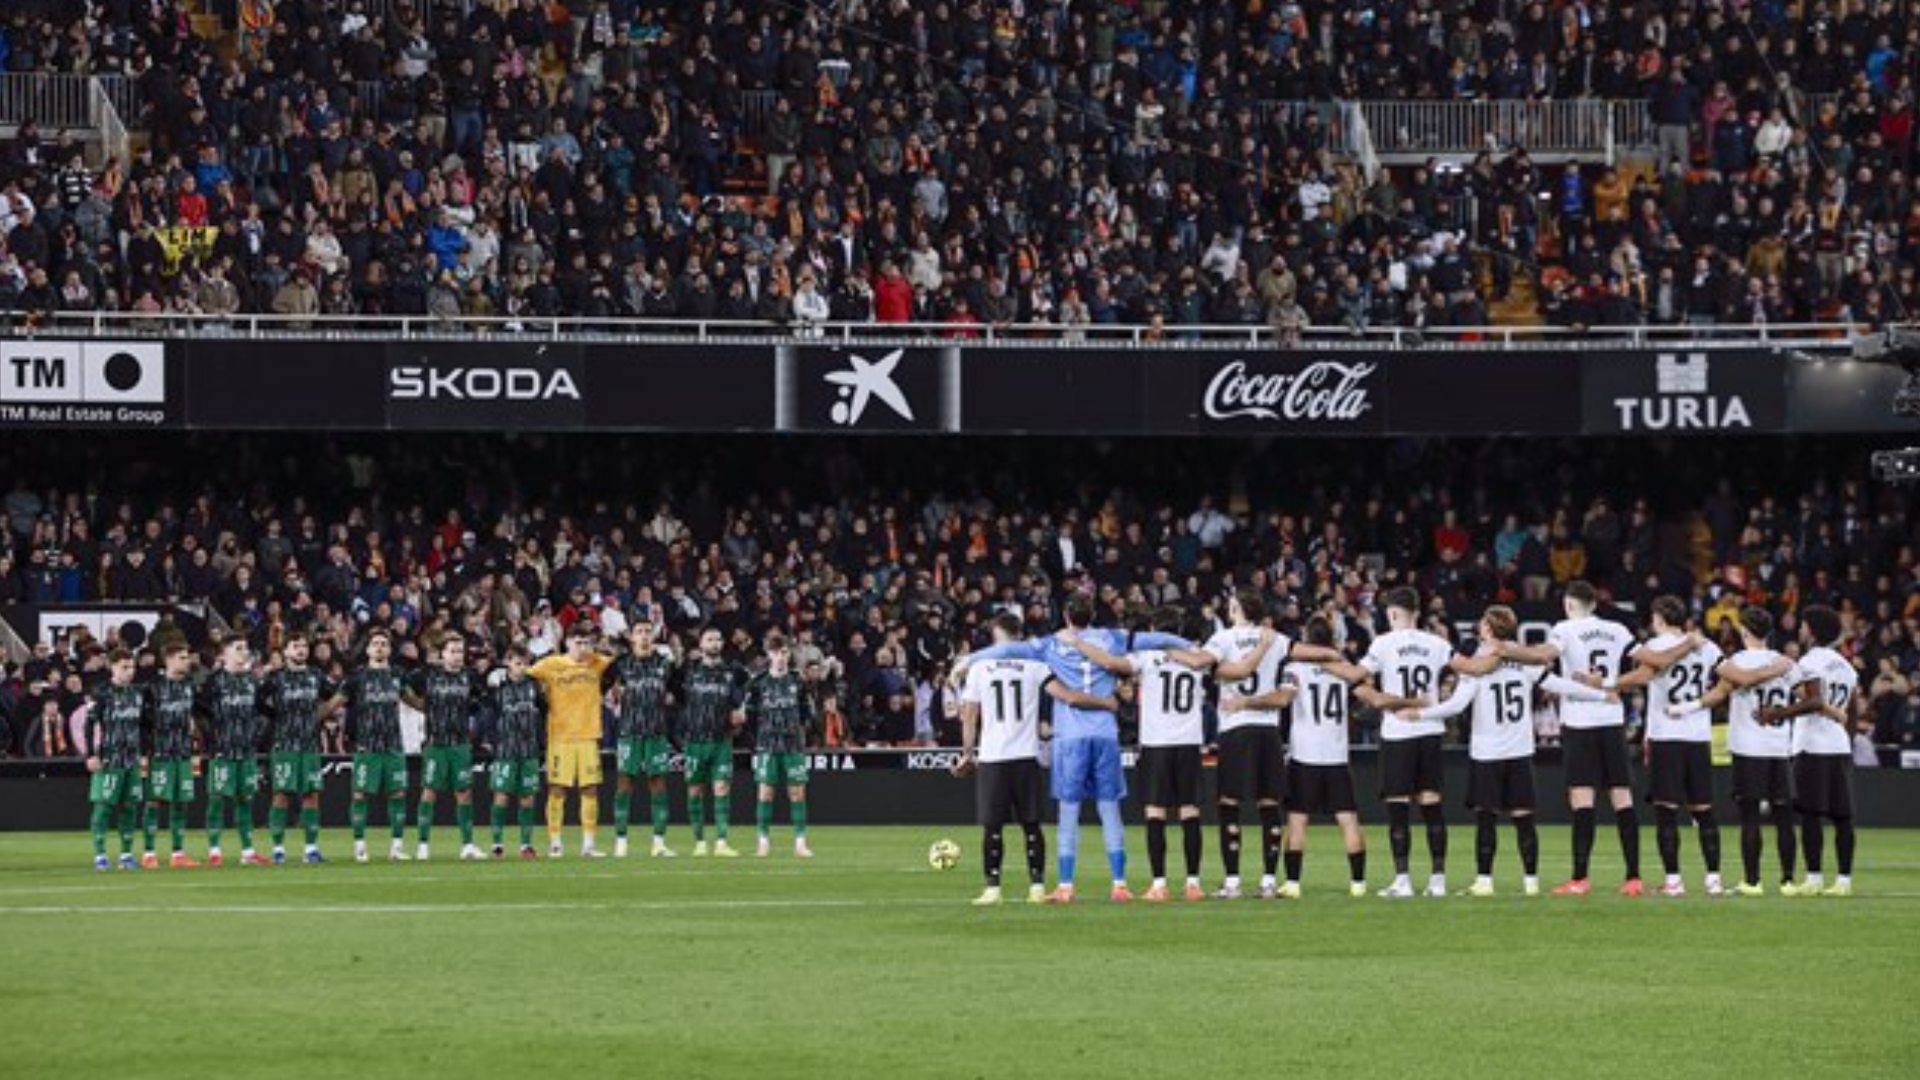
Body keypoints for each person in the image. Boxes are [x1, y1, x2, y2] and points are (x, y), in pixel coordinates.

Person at [955, 595, 1190, 904]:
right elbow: (1157, 639)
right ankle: (1119, 883)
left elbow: (1007, 649)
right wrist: (1189, 645)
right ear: (1092, 615)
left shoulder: (1050, 643)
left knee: (1069, 809)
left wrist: (969, 659)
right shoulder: (1113, 637)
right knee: (1109, 808)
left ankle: (1065, 886)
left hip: (1069, 736)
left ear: (1066, 615)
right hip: (1105, 733)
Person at [1406, 606, 1610, 897]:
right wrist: (1601, 693)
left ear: (1489, 629)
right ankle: (1531, 883)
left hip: (1487, 753)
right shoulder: (1524, 659)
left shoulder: (1477, 662)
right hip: (1520, 752)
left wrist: (1419, 714)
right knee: (1524, 820)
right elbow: (1558, 684)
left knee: (1486, 819)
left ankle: (1484, 882)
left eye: (1483, 623)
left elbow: (1456, 705)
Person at [1486, 581, 1645, 896]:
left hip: (1580, 722)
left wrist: (1508, 649)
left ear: (1569, 605)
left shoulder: (1565, 629)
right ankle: (1633, 878)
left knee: (1582, 799)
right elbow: (1647, 661)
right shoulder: (1617, 629)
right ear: (1594, 604)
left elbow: (1544, 655)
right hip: (1612, 719)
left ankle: (1580, 879)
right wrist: (1613, 684)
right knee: (1622, 799)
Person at [1191, 591, 1345, 899]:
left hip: (1235, 727)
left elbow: (1202, 662)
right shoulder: (1274, 638)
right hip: (1268, 730)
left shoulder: (1223, 638)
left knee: (1229, 804)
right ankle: (1268, 881)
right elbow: (1311, 652)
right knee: (1269, 805)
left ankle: (1232, 882)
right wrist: (1332, 654)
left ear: (1236, 608)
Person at [1055, 607, 1210, 902]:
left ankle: (1159, 885)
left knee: (1155, 812)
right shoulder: (1197, 657)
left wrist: (1078, 643)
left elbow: (1109, 662)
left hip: (1156, 742)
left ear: (1153, 630)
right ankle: (1193, 883)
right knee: (1190, 812)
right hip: (1189, 741)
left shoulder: (1147, 657)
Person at [953, 613, 1101, 906]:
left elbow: (969, 715)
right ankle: (1037, 887)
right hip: (1025, 756)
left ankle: (992, 889)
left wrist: (967, 754)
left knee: (993, 826)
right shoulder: (1036, 666)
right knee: (1031, 825)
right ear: (1019, 635)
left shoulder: (980, 667)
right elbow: (1066, 696)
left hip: (994, 756)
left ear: (997, 634)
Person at [1586, 596, 1722, 896]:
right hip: (1698, 736)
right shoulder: (1708, 646)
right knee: (1703, 811)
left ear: (1659, 618)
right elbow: (1725, 680)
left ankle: (1673, 881)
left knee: (1666, 811)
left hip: (1666, 736)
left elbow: (1642, 676)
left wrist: (1605, 683)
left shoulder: (1656, 647)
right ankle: (1713, 880)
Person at [1672, 607, 1800, 896]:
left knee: (1750, 817)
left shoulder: (1737, 662)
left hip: (1748, 748)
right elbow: (1807, 697)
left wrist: (1687, 706)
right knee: (1783, 817)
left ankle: (1752, 882)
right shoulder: (1785, 662)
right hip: (1780, 747)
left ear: (1744, 631)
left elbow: (1718, 694)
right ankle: (1789, 881)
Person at [1279, 616, 1402, 898]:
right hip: (1336, 755)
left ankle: (1293, 884)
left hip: (1304, 755)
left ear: (1307, 639)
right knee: (1348, 820)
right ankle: (1358, 884)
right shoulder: (1345, 671)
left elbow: (1285, 699)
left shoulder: (1294, 668)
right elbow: (1368, 696)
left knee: (1297, 820)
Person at [1359, 587, 1456, 899]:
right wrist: (1442, 693)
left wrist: (1375, 696)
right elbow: (1459, 673)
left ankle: (1403, 880)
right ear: (1418, 612)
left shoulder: (1383, 643)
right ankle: (1438, 880)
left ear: (1392, 613)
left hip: (1398, 732)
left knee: (1398, 809)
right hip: (1429, 729)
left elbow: (1359, 677)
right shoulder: (1438, 644)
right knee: (1432, 805)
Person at [1765, 605, 1860, 897]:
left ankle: (1814, 878)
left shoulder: (1810, 661)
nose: (1800, 629)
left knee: (1810, 814)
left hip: (1812, 745)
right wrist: (1847, 741)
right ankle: (1843, 881)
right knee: (1843, 817)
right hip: (1839, 746)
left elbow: (1814, 701)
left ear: (1814, 631)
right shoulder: (1846, 666)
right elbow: (1852, 713)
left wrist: (1778, 713)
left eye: (1804, 625)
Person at [529, 622, 615, 858]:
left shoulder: (597, 662)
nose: (582, 648)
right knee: (557, 789)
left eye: (586, 643)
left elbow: (618, 665)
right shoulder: (551, 664)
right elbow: (525, 676)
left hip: (588, 735)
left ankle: (589, 845)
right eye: (578, 643)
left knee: (590, 789)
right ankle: (555, 843)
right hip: (560, 736)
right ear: (567, 643)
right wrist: (541, 699)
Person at [259, 633, 335, 864]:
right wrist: (275, 716)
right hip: (284, 744)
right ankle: (278, 850)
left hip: (310, 744)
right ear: (285, 651)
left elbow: (336, 696)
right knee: (281, 794)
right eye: (296, 646)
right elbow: (257, 701)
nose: (301, 650)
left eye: (304, 646)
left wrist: (321, 715)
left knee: (311, 795)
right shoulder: (275, 678)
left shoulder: (317, 676)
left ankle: (311, 849)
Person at [406, 634, 483, 861]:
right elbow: (402, 686)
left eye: (460, 651)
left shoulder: (470, 676)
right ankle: (423, 845)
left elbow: (477, 702)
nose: (457, 656)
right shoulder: (427, 675)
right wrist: (420, 705)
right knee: (429, 791)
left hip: (460, 744)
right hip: (435, 744)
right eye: (452, 651)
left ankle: (467, 845)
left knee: (464, 793)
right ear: (442, 654)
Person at [339, 627, 412, 862]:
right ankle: (359, 845)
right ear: (368, 650)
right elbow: (338, 701)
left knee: (397, 794)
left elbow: (412, 699)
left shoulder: (399, 676)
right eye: (375, 644)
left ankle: (397, 847)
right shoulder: (357, 677)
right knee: (360, 794)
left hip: (393, 745)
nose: (380, 647)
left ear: (389, 650)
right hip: (367, 746)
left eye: (384, 644)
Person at [605, 621, 677, 858]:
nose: (644, 636)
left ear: (653, 636)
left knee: (658, 785)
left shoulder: (665, 664)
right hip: (629, 732)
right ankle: (621, 842)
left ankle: (659, 843)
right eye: (639, 632)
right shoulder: (620, 664)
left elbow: (679, 693)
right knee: (624, 784)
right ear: (632, 637)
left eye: (648, 631)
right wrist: (612, 696)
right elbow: (600, 687)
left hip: (657, 733)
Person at [746, 631, 816, 858]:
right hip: (767, 745)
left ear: (789, 653)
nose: (780, 657)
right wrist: (755, 742)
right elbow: (750, 716)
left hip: (793, 745)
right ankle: (763, 841)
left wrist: (800, 733)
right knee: (765, 793)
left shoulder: (798, 681)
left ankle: (800, 843)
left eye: (784, 652)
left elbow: (807, 713)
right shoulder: (758, 683)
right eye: (776, 652)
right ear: (768, 654)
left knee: (797, 793)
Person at [677, 627, 747, 857]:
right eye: (709, 639)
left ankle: (721, 842)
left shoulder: (732, 672)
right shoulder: (689, 671)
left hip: (721, 740)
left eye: (718, 639)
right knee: (694, 791)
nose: (714, 643)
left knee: (722, 788)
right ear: (701, 644)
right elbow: (677, 699)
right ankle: (699, 842)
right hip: (694, 740)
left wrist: (741, 711)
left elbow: (741, 698)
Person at [199, 636, 267, 867]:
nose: (244, 652)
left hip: (246, 751)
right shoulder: (213, 681)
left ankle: (247, 852)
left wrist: (255, 736)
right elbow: (200, 712)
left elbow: (259, 711)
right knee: (217, 799)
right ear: (225, 652)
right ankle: (214, 851)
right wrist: (211, 738)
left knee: (245, 799)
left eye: (245, 648)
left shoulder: (252, 681)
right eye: (238, 648)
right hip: (222, 751)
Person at [86, 649, 148, 871]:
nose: (130, 672)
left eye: (132, 667)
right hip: (109, 759)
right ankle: (100, 855)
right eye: (124, 667)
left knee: (130, 806)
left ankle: (126, 855)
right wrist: (91, 754)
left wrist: (145, 752)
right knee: (103, 807)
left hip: (131, 759)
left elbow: (144, 726)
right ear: (112, 667)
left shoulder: (138, 693)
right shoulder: (101, 692)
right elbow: (89, 724)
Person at [143, 642, 202, 868]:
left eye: (187, 657)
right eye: (182, 657)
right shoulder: (153, 687)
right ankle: (149, 853)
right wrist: (148, 745)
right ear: (168, 660)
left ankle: (178, 854)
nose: (187, 662)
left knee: (181, 802)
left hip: (184, 752)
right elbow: (142, 720)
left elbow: (195, 713)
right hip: (160, 753)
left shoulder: (189, 685)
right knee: (155, 801)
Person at [487, 645, 548, 859]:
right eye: (517, 663)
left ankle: (526, 845)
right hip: (506, 750)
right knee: (501, 796)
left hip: (529, 751)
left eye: (525, 663)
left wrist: (541, 743)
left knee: (527, 798)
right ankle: (497, 844)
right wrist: (491, 741)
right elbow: (489, 713)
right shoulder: (497, 686)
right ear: (508, 663)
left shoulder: (534, 686)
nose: (522, 667)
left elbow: (544, 711)